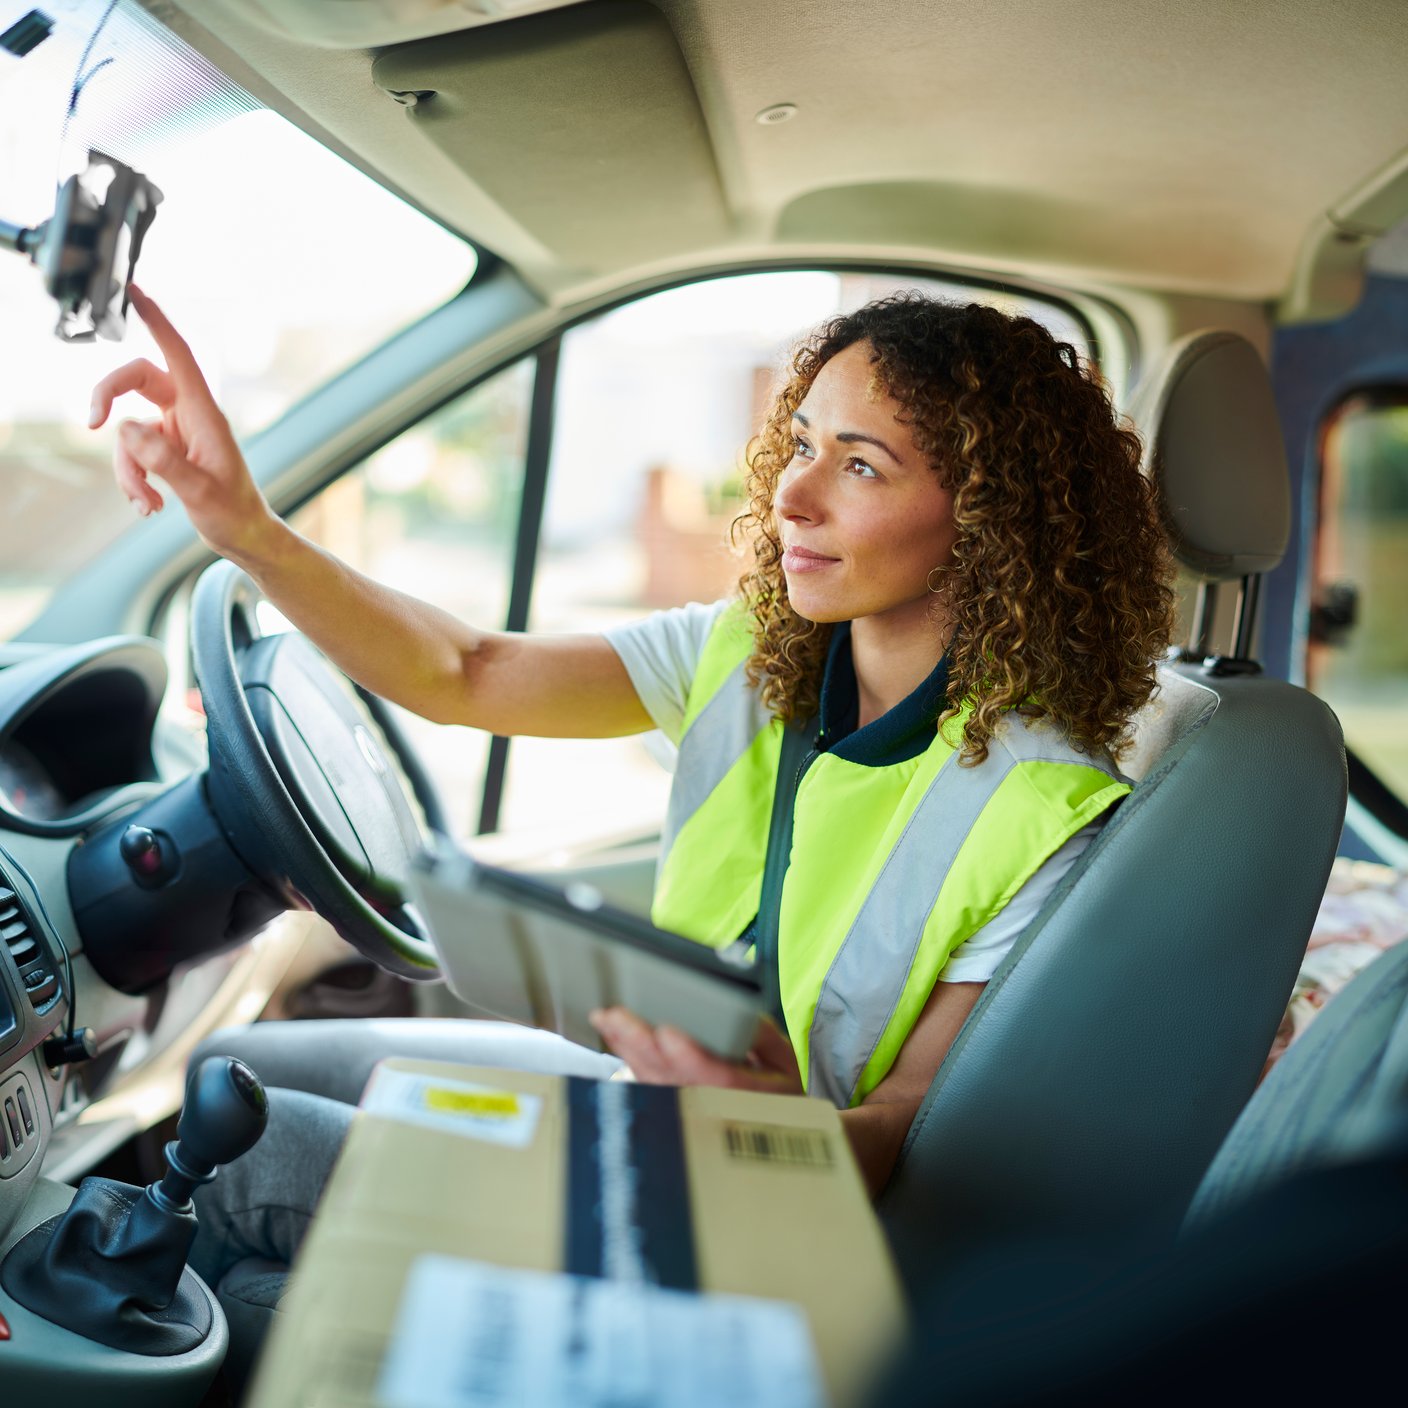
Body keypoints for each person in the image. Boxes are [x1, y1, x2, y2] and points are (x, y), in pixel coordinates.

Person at [90, 287, 1173, 1355]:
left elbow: (900, 1125)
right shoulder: (752, 654)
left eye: (859, 465)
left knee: (236, 1167)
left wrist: (762, 1120)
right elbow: (466, 670)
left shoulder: (1041, 809)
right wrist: (245, 529)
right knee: (228, 1059)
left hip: (758, 1209)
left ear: (984, 522)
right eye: (801, 443)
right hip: (641, 1107)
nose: (793, 493)